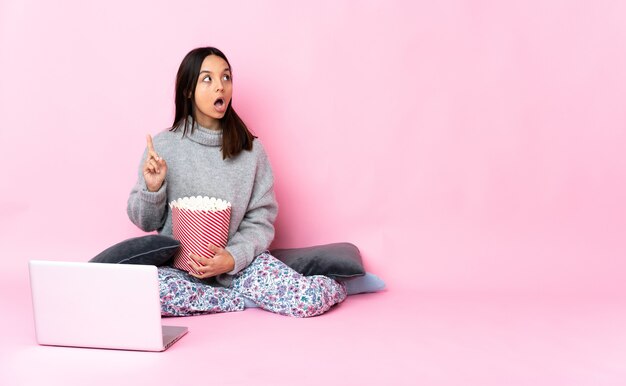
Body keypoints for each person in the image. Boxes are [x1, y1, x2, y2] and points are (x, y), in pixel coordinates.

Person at [127, 47, 347, 317]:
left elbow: (261, 220)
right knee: (143, 297)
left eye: (226, 78)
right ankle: (240, 301)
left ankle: (341, 285)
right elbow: (144, 221)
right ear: (187, 90)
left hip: (241, 267)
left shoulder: (251, 151)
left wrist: (231, 258)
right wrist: (153, 188)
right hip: (179, 272)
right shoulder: (162, 147)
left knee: (307, 301)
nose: (220, 87)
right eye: (207, 79)